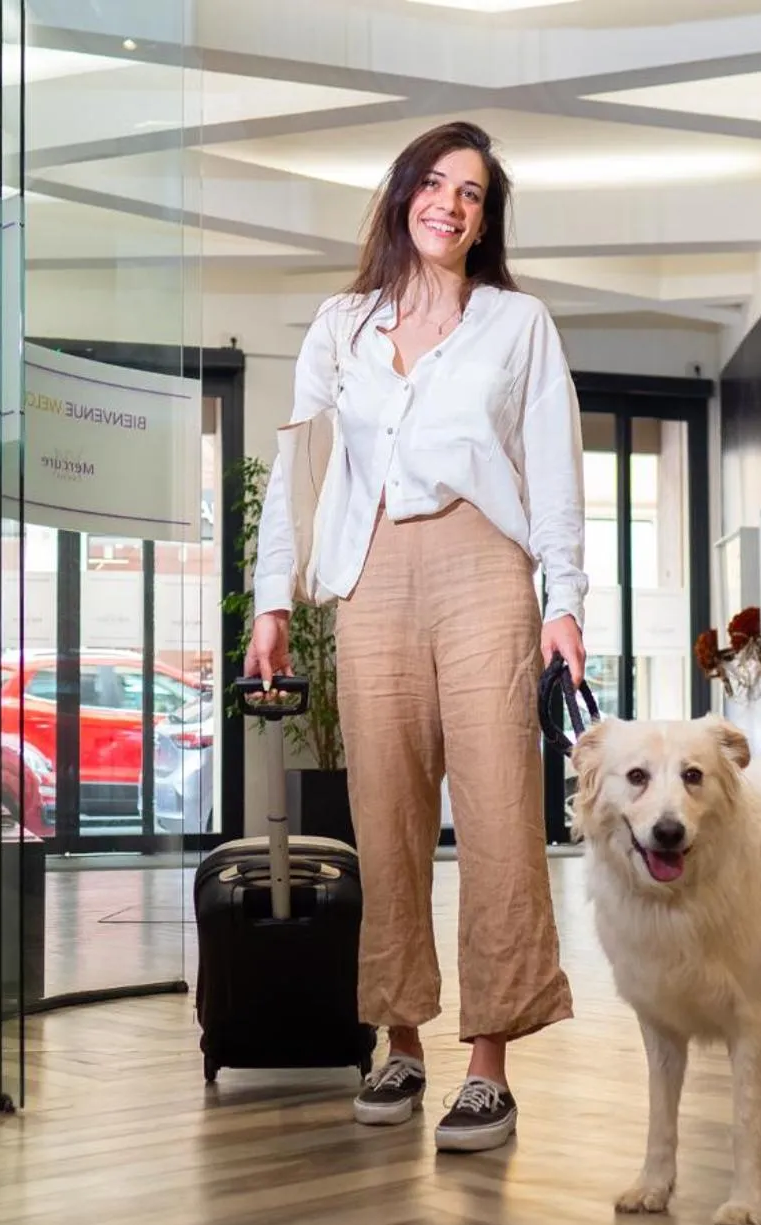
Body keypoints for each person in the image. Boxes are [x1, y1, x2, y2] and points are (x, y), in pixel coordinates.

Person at [244, 121, 587, 1154]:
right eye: (435, 184)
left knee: (497, 810)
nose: (450, 204)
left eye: (471, 193)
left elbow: (555, 467)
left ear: (485, 221)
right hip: (369, 574)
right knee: (384, 814)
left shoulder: (517, 323)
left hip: (483, 565)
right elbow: (300, 473)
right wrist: (271, 602)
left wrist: (563, 601)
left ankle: (488, 1067)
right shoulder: (340, 325)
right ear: (403, 196)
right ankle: (399, 1041)